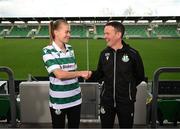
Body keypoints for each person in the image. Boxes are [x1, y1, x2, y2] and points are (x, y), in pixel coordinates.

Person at [88, 21, 145, 128]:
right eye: (104, 33)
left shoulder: (133, 54)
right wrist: (90, 73)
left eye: (107, 33)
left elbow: (140, 76)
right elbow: (100, 74)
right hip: (107, 101)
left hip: (126, 102)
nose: (104, 36)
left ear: (118, 34)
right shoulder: (104, 53)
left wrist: (128, 89)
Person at [42, 20, 91, 128]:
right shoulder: (47, 51)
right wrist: (81, 73)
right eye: (66, 32)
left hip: (75, 98)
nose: (69, 35)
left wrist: (81, 74)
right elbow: (60, 74)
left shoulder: (70, 48)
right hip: (59, 101)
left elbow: (72, 72)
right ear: (56, 32)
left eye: (70, 32)